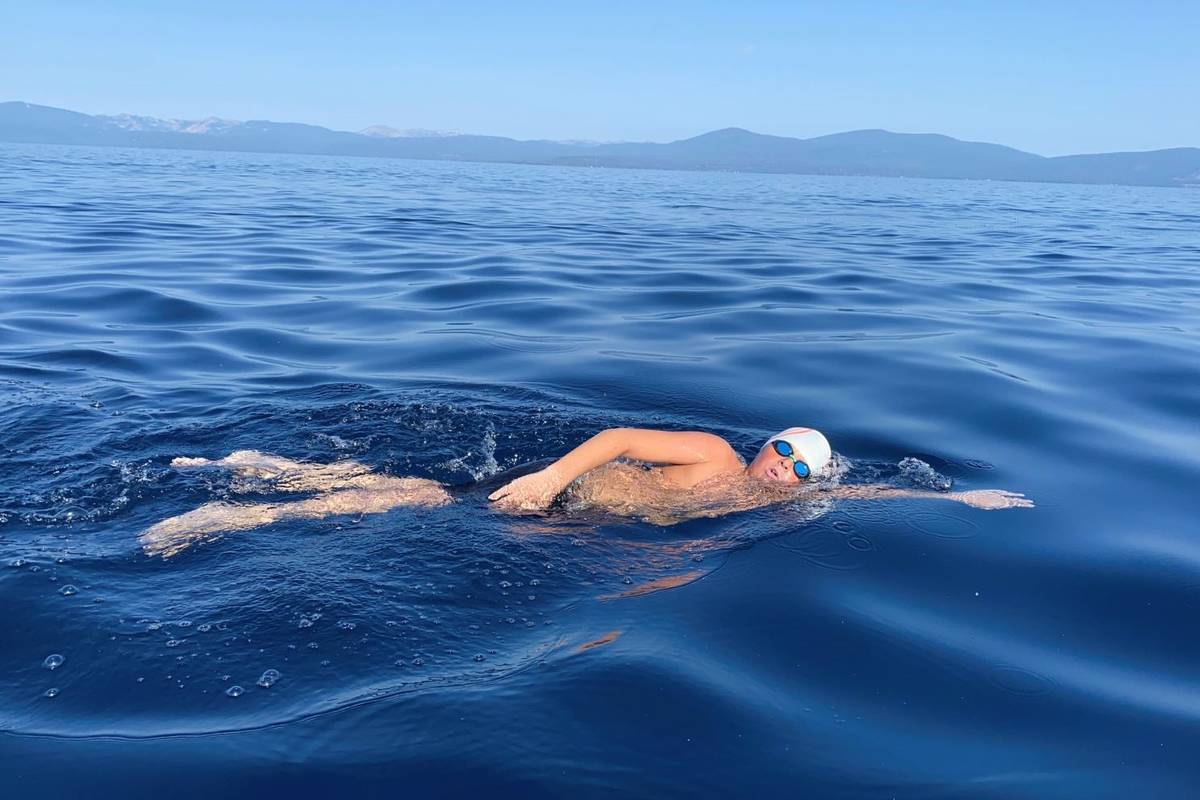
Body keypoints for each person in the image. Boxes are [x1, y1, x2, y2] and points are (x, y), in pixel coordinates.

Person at [139, 426, 1032, 558]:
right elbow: (617, 439)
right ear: (767, 444)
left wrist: (958, 503)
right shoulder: (714, 454)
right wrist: (549, 477)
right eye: (784, 455)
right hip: (554, 494)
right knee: (412, 497)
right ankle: (243, 504)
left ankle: (256, 468)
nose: (785, 472)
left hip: (575, 522)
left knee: (407, 490)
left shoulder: (774, 505)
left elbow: (870, 498)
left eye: (803, 470)